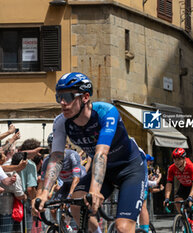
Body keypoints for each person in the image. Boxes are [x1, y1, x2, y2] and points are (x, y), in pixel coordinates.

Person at [33, 72, 147, 233]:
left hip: (130, 169)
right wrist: (44, 193)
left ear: (85, 97)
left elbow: (101, 154)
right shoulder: (61, 122)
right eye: (59, 98)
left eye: (68, 96)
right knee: (75, 205)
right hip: (105, 173)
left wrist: (94, 190)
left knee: (122, 227)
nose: (63, 103)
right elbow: (56, 158)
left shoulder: (106, 113)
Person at [164, 148, 193, 233]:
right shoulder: (171, 168)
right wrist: (167, 198)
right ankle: (187, 221)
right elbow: (169, 183)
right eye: (174, 159)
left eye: (179, 159)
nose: (176, 161)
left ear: (184, 158)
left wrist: (190, 196)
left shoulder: (191, 166)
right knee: (177, 201)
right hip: (184, 186)